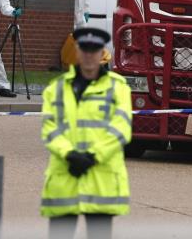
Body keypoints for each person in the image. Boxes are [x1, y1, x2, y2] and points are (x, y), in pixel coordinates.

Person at [41, 27, 132, 239]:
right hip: (65, 176)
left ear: (103, 53)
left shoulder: (118, 88)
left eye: (95, 49)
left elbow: (120, 128)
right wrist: (70, 154)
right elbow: (50, 128)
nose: (89, 54)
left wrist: (93, 156)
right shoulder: (56, 88)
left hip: (100, 178)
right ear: (77, 51)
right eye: (85, 48)